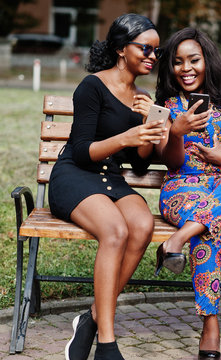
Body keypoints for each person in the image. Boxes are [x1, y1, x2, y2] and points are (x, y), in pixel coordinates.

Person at [48, 14, 164, 360]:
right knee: (115, 230)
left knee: (141, 226)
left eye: (156, 51)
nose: (152, 57)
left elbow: (140, 163)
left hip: (110, 179)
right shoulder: (92, 87)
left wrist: (149, 123)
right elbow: (82, 150)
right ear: (120, 49)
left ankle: (91, 318)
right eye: (146, 48)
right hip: (75, 175)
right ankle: (107, 344)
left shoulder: (141, 96)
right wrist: (126, 135)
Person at [154, 27, 221, 360]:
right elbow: (169, 161)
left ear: (207, 61)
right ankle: (210, 324)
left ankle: (176, 241)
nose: (185, 69)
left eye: (193, 60)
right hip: (182, 189)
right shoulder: (165, 107)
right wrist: (177, 131)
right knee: (208, 222)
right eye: (177, 62)